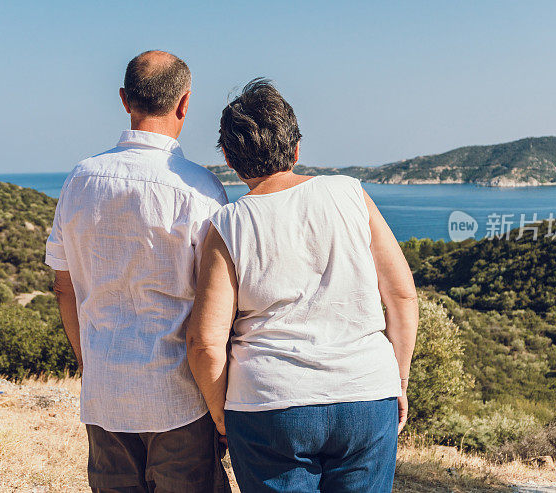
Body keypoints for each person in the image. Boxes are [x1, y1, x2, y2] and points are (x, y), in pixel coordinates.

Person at [186, 79, 419, 492]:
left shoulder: (229, 224)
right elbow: (401, 295)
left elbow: (205, 341)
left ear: (230, 159)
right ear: (296, 148)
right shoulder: (349, 193)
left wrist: (222, 413)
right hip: (365, 394)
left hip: (269, 406)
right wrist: (397, 381)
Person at [46, 50, 230, 493]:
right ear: (185, 103)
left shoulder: (80, 180)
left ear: (125, 99)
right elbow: (222, 306)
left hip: (105, 391)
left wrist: (88, 360)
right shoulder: (201, 190)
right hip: (180, 398)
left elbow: (63, 287)